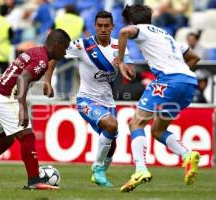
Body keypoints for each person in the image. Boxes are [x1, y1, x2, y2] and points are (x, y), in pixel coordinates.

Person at [0, 29, 71, 190]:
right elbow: (23, 79)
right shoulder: (41, 60)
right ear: (56, 45)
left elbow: (46, 63)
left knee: (5, 141)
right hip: (5, 99)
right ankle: (34, 181)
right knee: (27, 136)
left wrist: (47, 82)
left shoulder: (36, 52)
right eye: (64, 48)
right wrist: (22, 108)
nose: (65, 53)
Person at [44, 11, 134, 187]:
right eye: (99, 25)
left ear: (112, 27)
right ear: (94, 26)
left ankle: (99, 173)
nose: (102, 29)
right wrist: (47, 80)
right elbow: (54, 54)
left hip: (108, 102)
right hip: (86, 100)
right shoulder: (82, 45)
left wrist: (124, 66)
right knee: (111, 125)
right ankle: (98, 168)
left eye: (106, 26)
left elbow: (131, 71)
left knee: (112, 143)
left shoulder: (119, 46)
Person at [117, 4, 201, 192]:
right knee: (157, 131)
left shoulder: (142, 30)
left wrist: (120, 62)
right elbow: (194, 57)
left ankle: (140, 170)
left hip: (169, 81)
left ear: (132, 20)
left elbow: (123, 32)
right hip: (188, 82)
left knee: (136, 124)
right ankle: (187, 155)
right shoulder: (165, 36)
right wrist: (182, 75)